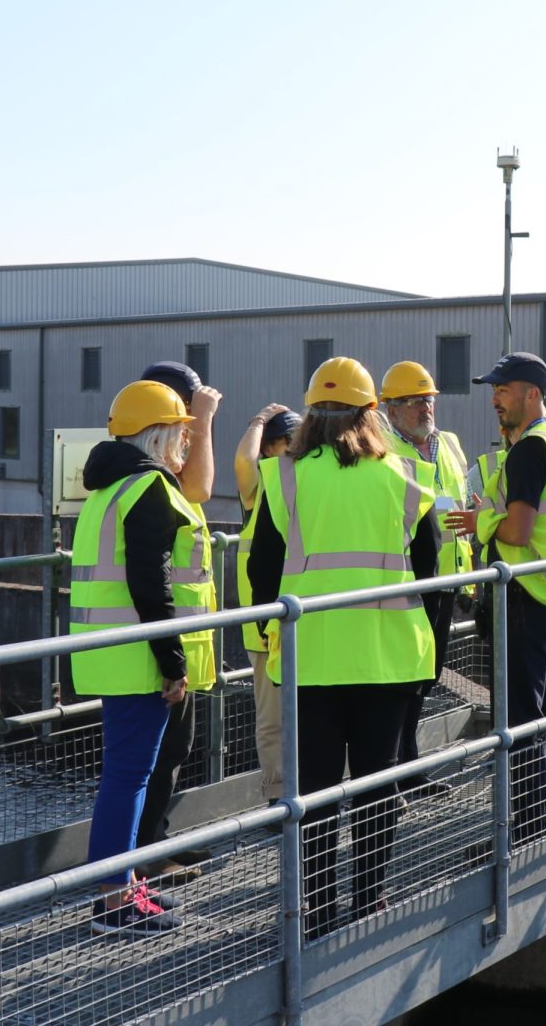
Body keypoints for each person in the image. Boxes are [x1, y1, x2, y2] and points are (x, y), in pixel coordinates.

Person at [247, 357, 439, 938]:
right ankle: (370, 899)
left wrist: (271, 632)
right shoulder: (400, 476)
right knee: (377, 781)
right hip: (387, 657)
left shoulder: (283, 478)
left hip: (311, 660)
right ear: (371, 414)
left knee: (317, 791)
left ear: (311, 416)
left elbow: (261, 570)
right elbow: (430, 568)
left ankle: (317, 908)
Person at [70, 380, 217, 936]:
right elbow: (150, 587)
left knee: (125, 775)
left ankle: (125, 885)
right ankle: (113, 900)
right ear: (159, 436)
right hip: (139, 658)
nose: (185, 442)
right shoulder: (150, 490)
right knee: (129, 777)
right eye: (182, 433)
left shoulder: (109, 489)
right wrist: (173, 664)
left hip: (112, 653)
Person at [445, 352, 546, 843]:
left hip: (527, 595)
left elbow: (520, 528)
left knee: (522, 718)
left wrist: (479, 522)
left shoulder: (530, 447)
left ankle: (523, 831)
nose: (494, 398)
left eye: (503, 390)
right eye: (494, 390)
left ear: (532, 394)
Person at [131, 361, 221, 881]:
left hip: (176, 634)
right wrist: (205, 420)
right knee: (157, 752)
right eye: (184, 420)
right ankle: (144, 855)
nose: (189, 432)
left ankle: (153, 842)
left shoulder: (154, 468)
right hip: (162, 639)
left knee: (173, 748)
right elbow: (201, 489)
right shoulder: (152, 477)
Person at [378, 361, 470, 798]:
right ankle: (397, 771)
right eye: (414, 401)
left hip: (446, 580)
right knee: (403, 678)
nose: (424, 408)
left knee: (427, 676)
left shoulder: (448, 444)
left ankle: (408, 768)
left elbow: (462, 502)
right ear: (390, 410)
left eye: (428, 399)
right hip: (407, 579)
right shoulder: (382, 449)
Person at [233, 401, 302, 805]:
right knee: (273, 716)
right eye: (283, 442)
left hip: (298, 615)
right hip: (264, 621)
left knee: (305, 712)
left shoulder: (305, 480)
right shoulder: (257, 486)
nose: (290, 448)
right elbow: (243, 460)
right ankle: (278, 793)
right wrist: (256, 420)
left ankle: (305, 787)